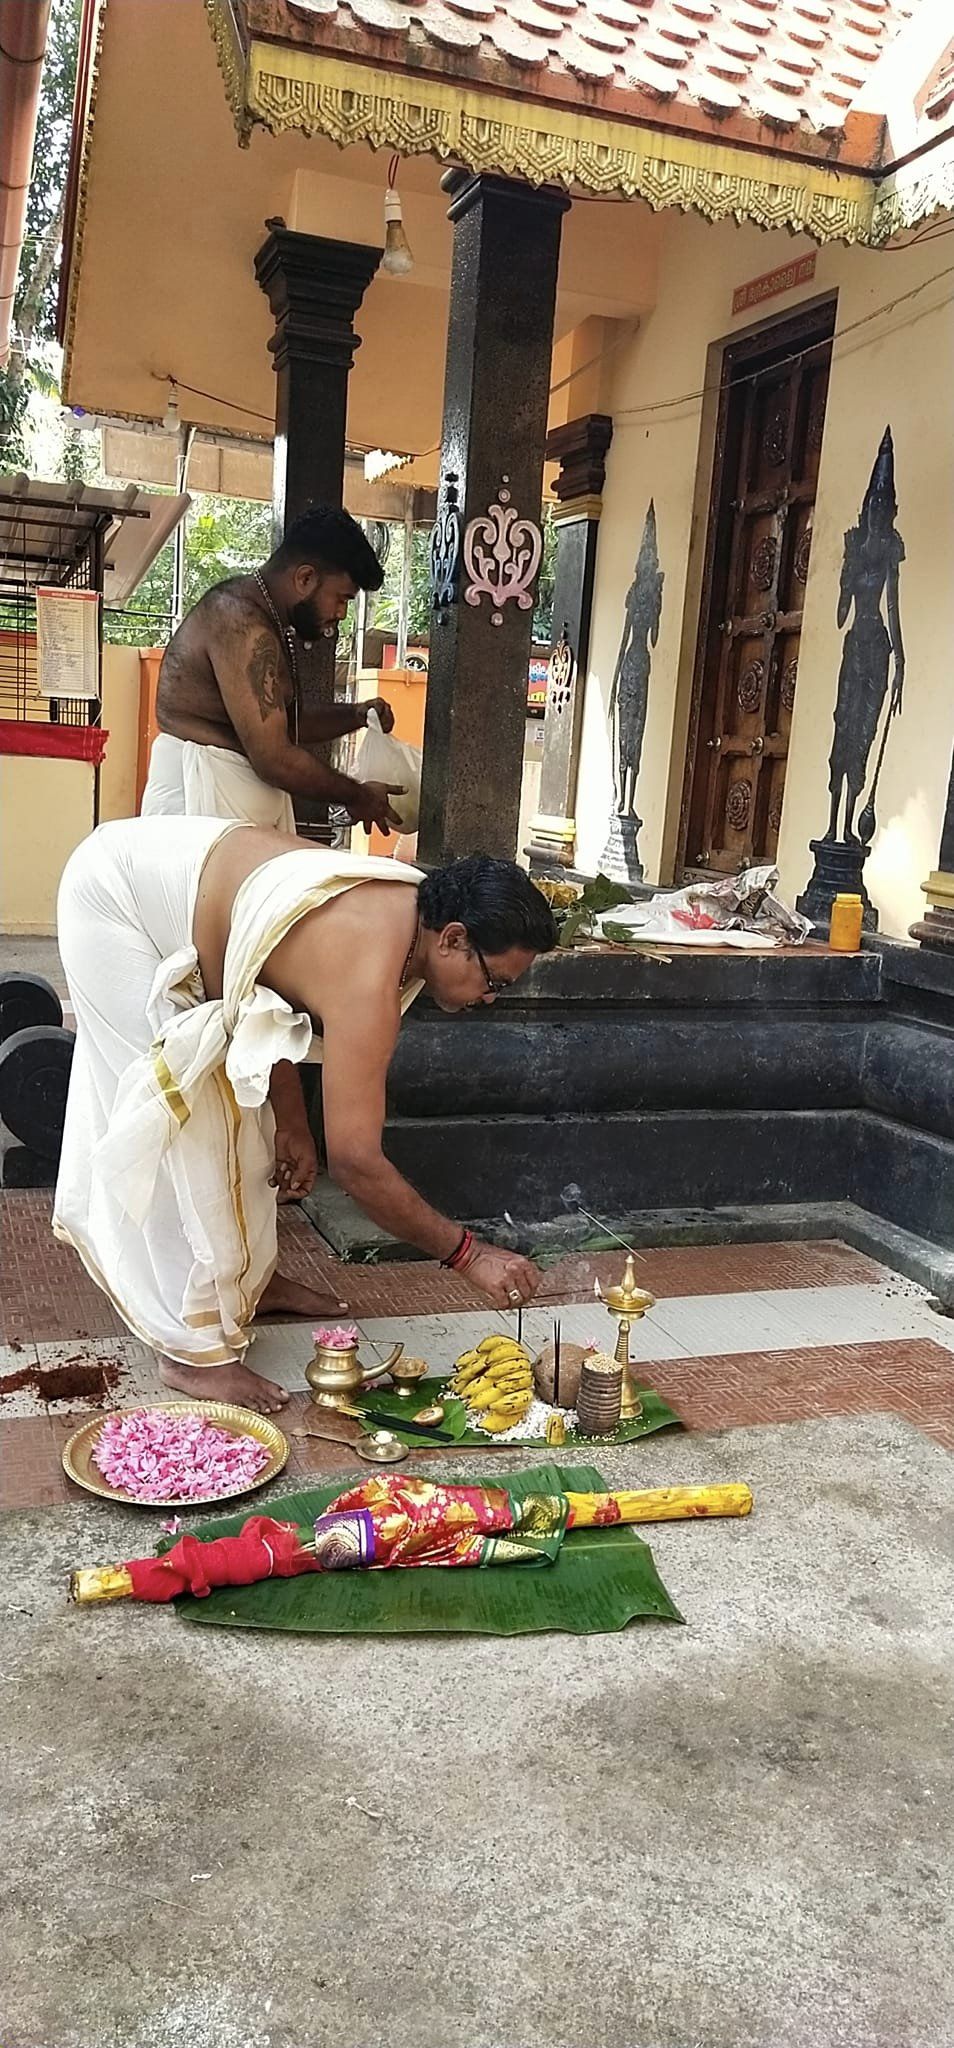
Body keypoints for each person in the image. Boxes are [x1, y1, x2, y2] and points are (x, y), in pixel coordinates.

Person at [53, 819, 557, 1414]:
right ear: (450, 938)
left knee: (248, 1123)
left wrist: (291, 1118)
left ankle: (249, 1282)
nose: (489, 998)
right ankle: (188, 1352)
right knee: (185, 1124)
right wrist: (469, 1254)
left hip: (189, 901)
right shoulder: (369, 972)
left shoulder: (407, 907)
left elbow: (265, 1000)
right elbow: (356, 1162)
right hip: (118, 903)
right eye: (493, 980)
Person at [141, 504, 404, 836]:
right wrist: (359, 795)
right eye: (342, 598)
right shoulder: (240, 624)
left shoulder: (268, 622)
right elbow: (273, 757)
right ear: (305, 578)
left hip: (228, 817)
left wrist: (355, 715)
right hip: (193, 813)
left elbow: (284, 724)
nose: (341, 613)